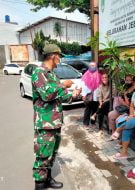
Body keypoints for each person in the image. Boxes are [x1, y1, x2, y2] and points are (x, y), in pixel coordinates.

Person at [31, 43, 80, 190]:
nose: (60, 59)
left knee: (52, 153)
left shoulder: (52, 74)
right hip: (45, 123)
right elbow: (46, 94)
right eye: (59, 56)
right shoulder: (39, 72)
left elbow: (60, 96)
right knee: (43, 155)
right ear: (53, 56)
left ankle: (47, 179)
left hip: (55, 122)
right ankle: (39, 184)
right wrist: (63, 85)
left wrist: (74, 95)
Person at [81, 62, 102, 129]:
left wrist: (100, 96)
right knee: (87, 110)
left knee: (94, 110)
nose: (92, 67)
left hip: (96, 95)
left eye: (93, 66)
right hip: (88, 95)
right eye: (91, 66)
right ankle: (85, 124)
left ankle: (93, 123)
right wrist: (83, 95)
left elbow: (100, 86)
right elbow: (83, 86)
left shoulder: (99, 75)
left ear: (96, 67)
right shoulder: (86, 75)